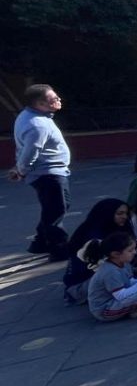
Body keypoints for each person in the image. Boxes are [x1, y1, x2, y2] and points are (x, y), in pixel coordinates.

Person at [9, 84, 72, 259]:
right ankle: (58, 249)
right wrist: (21, 170)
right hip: (48, 173)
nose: (59, 100)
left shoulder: (30, 116)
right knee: (56, 210)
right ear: (40, 103)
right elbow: (30, 151)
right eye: (54, 99)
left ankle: (40, 242)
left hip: (47, 172)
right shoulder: (37, 125)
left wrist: (20, 169)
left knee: (54, 208)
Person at [62, 198, 136, 305]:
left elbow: (134, 250)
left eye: (126, 213)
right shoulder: (92, 237)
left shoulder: (116, 228)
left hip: (105, 275)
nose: (124, 217)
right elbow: (111, 267)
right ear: (107, 214)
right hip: (81, 287)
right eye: (120, 213)